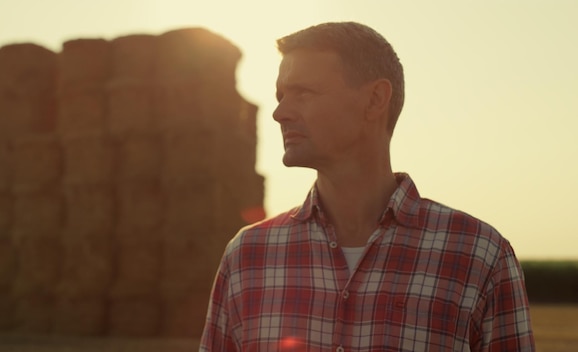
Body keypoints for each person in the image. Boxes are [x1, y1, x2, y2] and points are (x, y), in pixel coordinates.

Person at [199, 22, 535, 351]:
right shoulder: (247, 257)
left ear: (375, 100)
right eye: (281, 95)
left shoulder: (479, 256)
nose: (279, 113)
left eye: (302, 92)